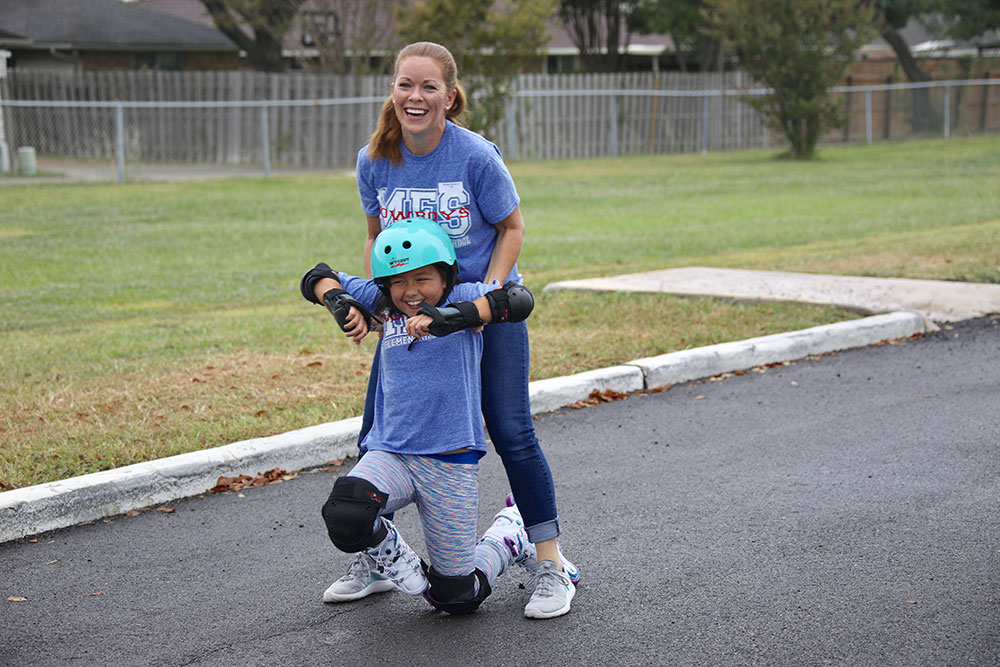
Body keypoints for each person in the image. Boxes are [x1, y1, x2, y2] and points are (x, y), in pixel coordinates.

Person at [343, 40, 577, 618]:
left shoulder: (474, 156)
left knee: (512, 431)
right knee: (376, 430)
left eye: (428, 88)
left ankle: (549, 562)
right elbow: (376, 240)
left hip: (482, 312)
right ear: (392, 90)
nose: (414, 97)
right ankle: (375, 558)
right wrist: (378, 302)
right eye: (404, 84)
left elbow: (512, 227)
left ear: (449, 96)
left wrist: (487, 298)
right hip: (412, 313)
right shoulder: (374, 160)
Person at [300, 219, 557, 615]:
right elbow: (318, 276)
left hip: (450, 463)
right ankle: (389, 554)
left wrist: (453, 317)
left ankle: (509, 538)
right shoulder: (383, 303)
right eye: (399, 282)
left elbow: (518, 299)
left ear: (445, 274)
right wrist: (341, 302)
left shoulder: (465, 294)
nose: (412, 291)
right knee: (346, 511)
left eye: (423, 278)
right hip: (392, 455)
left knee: (455, 597)